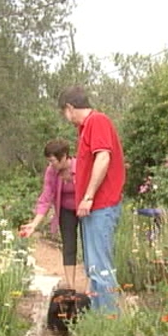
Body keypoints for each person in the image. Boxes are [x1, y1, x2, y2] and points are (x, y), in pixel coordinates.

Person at [58, 85, 126, 314]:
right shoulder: (85, 128)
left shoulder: (97, 121)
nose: (66, 118)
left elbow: (104, 158)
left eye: (64, 113)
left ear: (69, 108)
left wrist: (88, 197)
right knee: (93, 267)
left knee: (102, 269)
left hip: (101, 206)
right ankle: (99, 318)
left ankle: (111, 323)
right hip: (92, 209)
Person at [19, 139, 81, 289]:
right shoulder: (51, 172)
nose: (51, 164)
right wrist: (34, 224)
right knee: (68, 246)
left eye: (53, 160)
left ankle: (93, 285)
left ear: (64, 156)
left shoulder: (80, 166)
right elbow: (46, 198)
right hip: (66, 210)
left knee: (89, 245)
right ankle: (71, 287)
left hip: (84, 208)